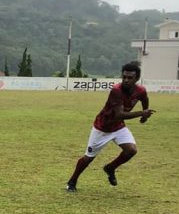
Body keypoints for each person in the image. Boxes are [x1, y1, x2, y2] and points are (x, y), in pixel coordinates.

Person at [65, 61, 155, 192]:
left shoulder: (141, 90)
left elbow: (144, 99)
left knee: (131, 150)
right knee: (88, 158)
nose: (126, 80)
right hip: (102, 127)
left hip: (118, 127)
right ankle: (72, 182)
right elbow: (119, 115)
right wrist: (142, 113)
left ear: (137, 79)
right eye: (124, 77)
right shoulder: (116, 91)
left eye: (130, 78)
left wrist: (145, 115)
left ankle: (110, 168)